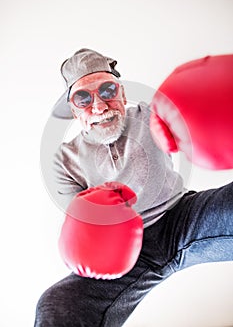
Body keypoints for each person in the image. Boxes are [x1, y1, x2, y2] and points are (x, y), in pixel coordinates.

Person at [34, 48, 233, 327]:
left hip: (183, 216)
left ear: (123, 94)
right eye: (83, 98)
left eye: (107, 90)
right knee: (57, 304)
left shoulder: (152, 115)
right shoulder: (63, 162)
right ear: (73, 111)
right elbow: (79, 226)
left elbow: (208, 115)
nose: (99, 107)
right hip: (126, 257)